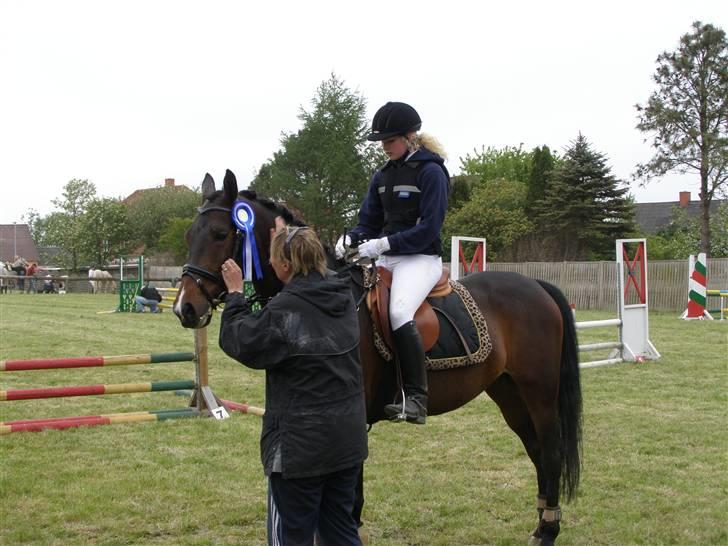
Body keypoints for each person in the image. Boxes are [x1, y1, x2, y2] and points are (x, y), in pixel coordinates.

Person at [220, 224, 367, 546]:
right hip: (346, 440)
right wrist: (288, 237)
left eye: (274, 259)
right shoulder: (344, 297)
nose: (270, 265)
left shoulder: (285, 310)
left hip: (301, 449)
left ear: (285, 266)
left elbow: (241, 340)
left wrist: (234, 295)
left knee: (293, 535)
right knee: (341, 530)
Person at [336, 101, 450, 425]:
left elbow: (429, 227)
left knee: (399, 310)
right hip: (386, 259)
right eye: (383, 143)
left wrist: (384, 243)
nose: (385, 148)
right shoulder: (382, 176)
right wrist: (351, 239)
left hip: (420, 259)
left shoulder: (431, 172)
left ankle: (416, 397)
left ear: (410, 136)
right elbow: (368, 221)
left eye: (390, 141)